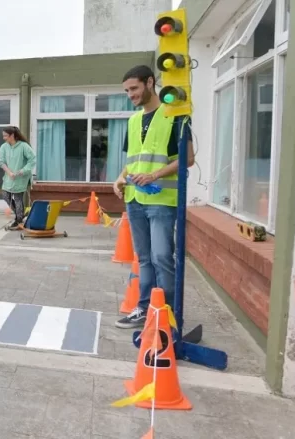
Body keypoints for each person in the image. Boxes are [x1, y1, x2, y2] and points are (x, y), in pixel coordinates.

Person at [113, 65, 195, 329]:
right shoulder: (133, 120)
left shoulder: (176, 116)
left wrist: (155, 175)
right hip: (136, 199)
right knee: (144, 257)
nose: (131, 95)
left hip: (162, 200)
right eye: (127, 91)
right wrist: (120, 177)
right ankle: (144, 308)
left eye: (134, 89)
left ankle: (167, 314)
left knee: (161, 257)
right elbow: (133, 159)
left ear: (150, 83)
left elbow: (189, 159)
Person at [0, 126, 36, 229]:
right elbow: (1, 162)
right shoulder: (3, 147)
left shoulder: (24, 146)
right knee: (6, 195)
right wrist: (9, 172)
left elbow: (32, 159)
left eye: (5, 136)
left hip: (21, 177)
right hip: (8, 176)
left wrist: (22, 171)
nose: (4, 138)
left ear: (12, 135)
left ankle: (18, 220)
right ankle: (20, 215)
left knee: (18, 198)